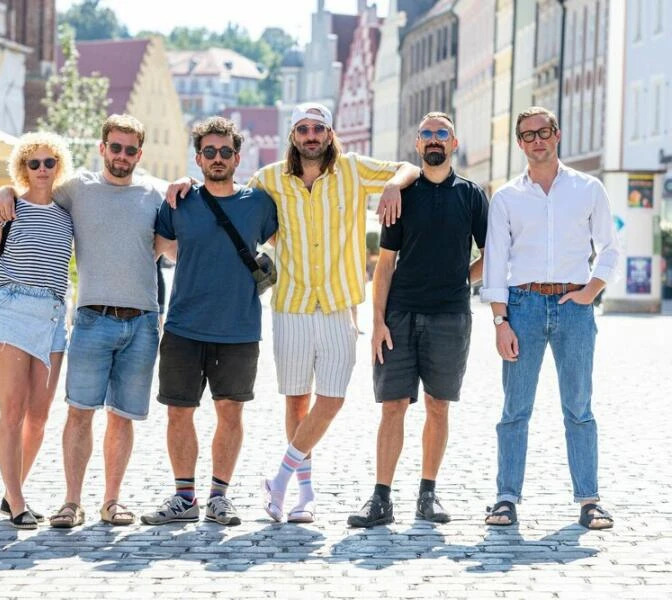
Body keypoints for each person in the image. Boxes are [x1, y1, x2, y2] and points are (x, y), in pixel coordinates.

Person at [167, 102, 420, 523]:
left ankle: (280, 479)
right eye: (303, 128)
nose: (311, 135)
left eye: (318, 128)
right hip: (293, 305)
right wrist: (184, 181)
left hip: (340, 303)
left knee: (333, 398)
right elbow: (226, 192)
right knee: (297, 399)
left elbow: (408, 167)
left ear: (330, 134)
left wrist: (393, 184)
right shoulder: (268, 180)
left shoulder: (354, 170)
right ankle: (304, 493)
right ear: (293, 136)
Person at [0, 114, 165, 528]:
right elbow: (34, 187)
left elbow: (174, 233)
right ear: (102, 149)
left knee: (122, 416)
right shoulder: (77, 190)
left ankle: (112, 501)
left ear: (139, 154)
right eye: (115, 147)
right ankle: (71, 502)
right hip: (91, 319)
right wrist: (4, 189)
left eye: (130, 149)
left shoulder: (156, 195)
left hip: (142, 321)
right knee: (79, 412)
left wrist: (182, 187)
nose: (122, 155)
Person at [346, 112, 488, 527]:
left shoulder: (472, 195)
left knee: (438, 406)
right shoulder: (401, 197)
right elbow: (385, 265)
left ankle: (428, 494)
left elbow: (492, 253)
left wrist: (463, 277)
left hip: (450, 316)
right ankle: (381, 498)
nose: (433, 140)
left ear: (454, 143)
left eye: (441, 133)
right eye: (425, 133)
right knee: (392, 406)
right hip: (401, 315)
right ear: (417, 145)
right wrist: (378, 321)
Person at [481, 106, 618, 530]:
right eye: (527, 135)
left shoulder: (588, 188)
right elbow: (495, 263)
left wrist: (591, 291)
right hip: (521, 307)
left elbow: (609, 247)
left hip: (573, 308)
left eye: (544, 132)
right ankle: (506, 498)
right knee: (514, 409)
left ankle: (589, 500)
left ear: (557, 135)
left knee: (579, 407)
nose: (536, 140)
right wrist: (500, 321)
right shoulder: (506, 197)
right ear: (519, 143)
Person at [141, 117, 277, 527]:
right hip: (184, 326)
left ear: (237, 157)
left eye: (225, 152)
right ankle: (185, 497)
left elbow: (294, 244)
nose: (217, 159)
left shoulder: (259, 204)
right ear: (198, 158)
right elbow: (154, 250)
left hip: (239, 328)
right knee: (179, 412)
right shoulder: (179, 202)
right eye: (209, 152)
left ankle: (219, 496)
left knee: (230, 412)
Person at [0, 132, 74, 529]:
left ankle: (12, 490)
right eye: (34, 163)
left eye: (49, 163)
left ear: (58, 166)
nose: (42, 170)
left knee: (40, 416)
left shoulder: (67, 215)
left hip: (51, 315)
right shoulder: (5, 210)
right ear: (22, 167)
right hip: (9, 311)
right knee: (11, 411)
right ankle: (16, 499)